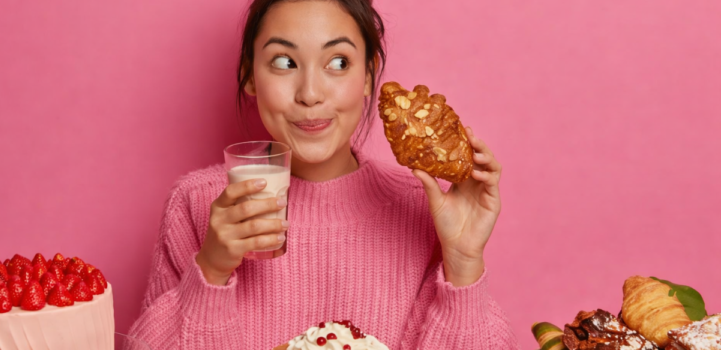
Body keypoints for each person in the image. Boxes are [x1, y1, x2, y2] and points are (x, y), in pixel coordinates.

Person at [128, 0, 519, 348]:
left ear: (369, 76)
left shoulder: (424, 209)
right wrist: (211, 272)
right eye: (284, 62)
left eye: (338, 63)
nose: (310, 93)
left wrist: (464, 262)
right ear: (249, 75)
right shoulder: (197, 204)